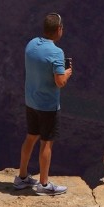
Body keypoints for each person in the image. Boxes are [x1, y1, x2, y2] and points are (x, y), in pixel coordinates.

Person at [17, 13, 71, 195]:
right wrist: (68, 72)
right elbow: (60, 82)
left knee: (31, 137)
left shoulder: (31, 44)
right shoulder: (57, 52)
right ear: (59, 30)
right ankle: (44, 184)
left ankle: (22, 177)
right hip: (47, 105)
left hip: (30, 100)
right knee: (46, 143)